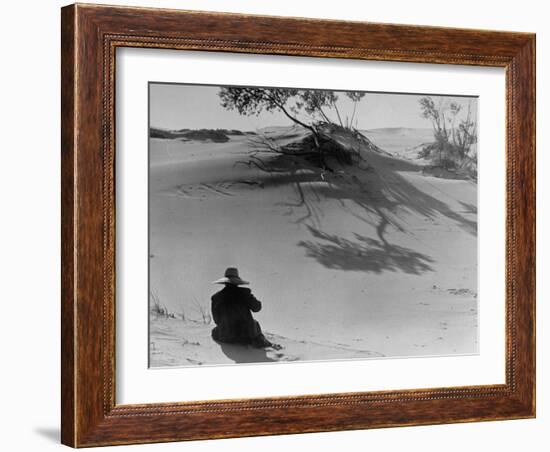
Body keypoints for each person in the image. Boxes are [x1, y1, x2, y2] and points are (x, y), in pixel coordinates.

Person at [210, 267, 274, 348]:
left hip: (225, 335)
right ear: (237, 282)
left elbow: (216, 319)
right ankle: (262, 343)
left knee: (214, 331)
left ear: (225, 282)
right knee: (255, 324)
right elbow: (257, 308)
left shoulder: (216, 297)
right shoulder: (244, 294)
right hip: (245, 335)